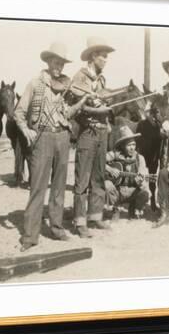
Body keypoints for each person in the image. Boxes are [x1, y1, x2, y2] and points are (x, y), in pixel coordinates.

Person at [14, 42, 88, 252]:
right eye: (56, 62)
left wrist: (81, 102)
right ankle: (30, 235)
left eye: (62, 64)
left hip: (62, 137)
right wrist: (26, 130)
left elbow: (67, 114)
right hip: (43, 138)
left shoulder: (64, 87)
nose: (59, 67)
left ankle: (56, 228)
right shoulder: (35, 84)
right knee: (38, 187)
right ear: (48, 62)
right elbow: (18, 112)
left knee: (58, 186)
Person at [68, 37, 115, 238]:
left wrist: (107, 119)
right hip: (88, 132)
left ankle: (95, 216)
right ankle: (79, 222)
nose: (106, 60)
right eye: (103, 56)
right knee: (83, 178)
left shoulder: (102, 80)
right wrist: (96, 110)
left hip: (103, 132)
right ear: (93, 56)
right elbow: (77, 109)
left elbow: (104, 103)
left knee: (98, 175)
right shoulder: (79, 78)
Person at [105, 126, 150, 221]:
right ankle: (115, 209)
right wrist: (109, 169)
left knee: (145, 192)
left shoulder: (140, 158)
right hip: (118, 191)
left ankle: (134, 207)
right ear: (122, 146)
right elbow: (99, 161)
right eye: (129, 145)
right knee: (107, 184)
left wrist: (140, 181)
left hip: (132, 191)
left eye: (133, 145)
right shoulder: (115, 154)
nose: (132, 148)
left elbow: (143, 173)